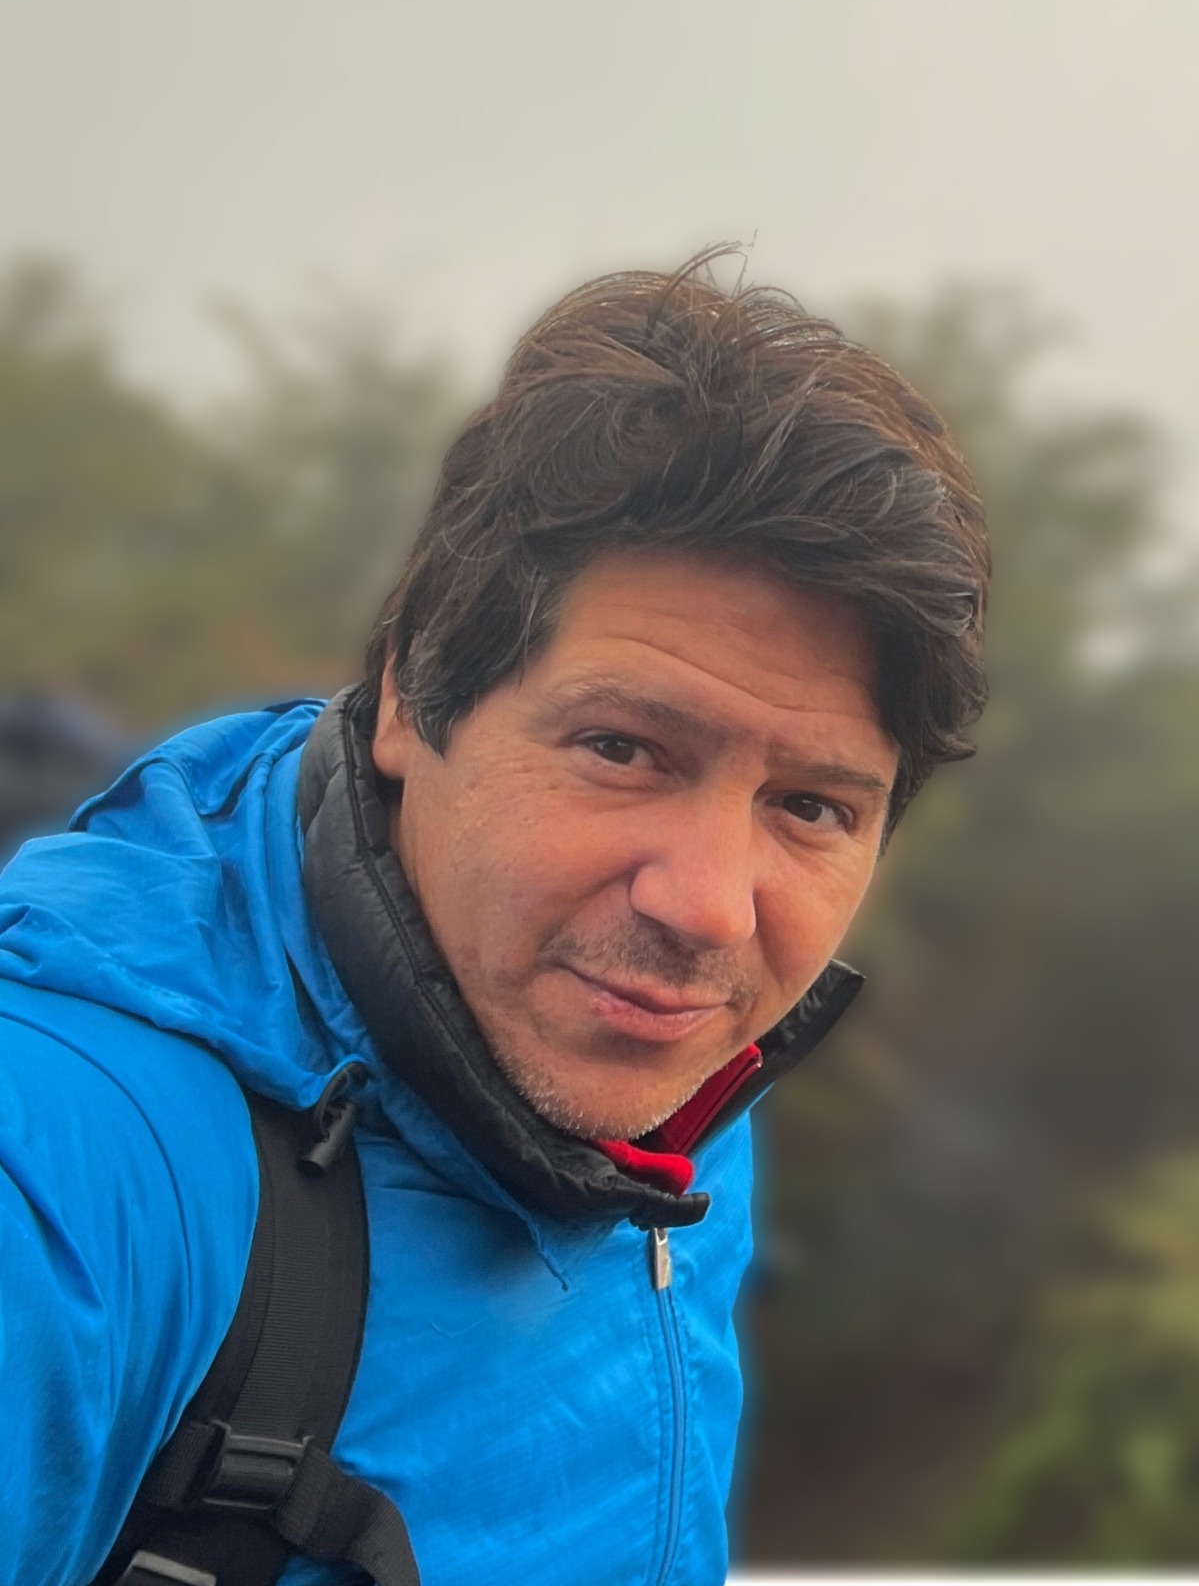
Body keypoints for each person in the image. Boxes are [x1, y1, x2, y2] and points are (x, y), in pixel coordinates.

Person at [0, 255, 989, 1586]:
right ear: (415, 699)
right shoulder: (70, 1173)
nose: (707, 909)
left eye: (811, 807)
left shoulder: (673, 1084)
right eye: (622, 749)